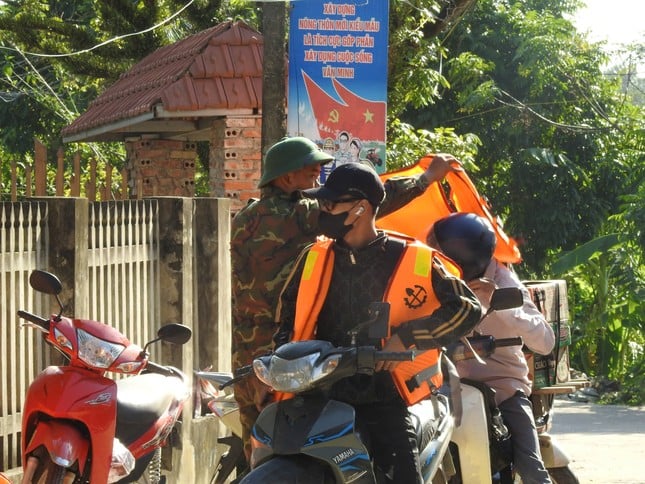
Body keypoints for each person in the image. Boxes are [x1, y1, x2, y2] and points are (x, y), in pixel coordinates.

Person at [231, 136, 464, 461]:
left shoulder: (244, 218)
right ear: (286, 179)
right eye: (312, 175)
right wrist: (426, 179)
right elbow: (377, 199)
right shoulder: (299, 215)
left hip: (253, 355)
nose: (317, 185)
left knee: (261, 455)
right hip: (293, 354)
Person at [273, 163, 482, 482]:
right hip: (321, 394)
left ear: (360, 208)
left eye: (330, 204)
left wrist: (409, 335)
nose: (323, 210)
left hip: (384, 398)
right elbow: (287, 319)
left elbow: (468, 309)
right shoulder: (314, 256)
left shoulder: (414, 257)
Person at [427, 212, 556, 484]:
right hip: (449, 390)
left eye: (440, 252)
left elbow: (545, 342)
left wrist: (496, 299)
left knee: (532, 469)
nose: (434, 258)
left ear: (462, 256)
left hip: (504, 390)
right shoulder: (438, 278)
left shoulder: (505, 281)